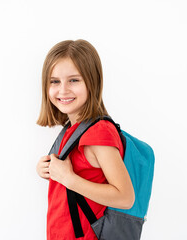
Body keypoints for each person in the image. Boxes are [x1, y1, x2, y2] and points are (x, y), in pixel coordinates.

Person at [36, 39, 135, 240]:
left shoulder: (99, 133)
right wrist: (47, 169)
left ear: (92, 82)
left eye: (74, 80)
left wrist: (68, 178)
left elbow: (125, 197)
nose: (63, 90)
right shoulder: (73, 129)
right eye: (54, 81)